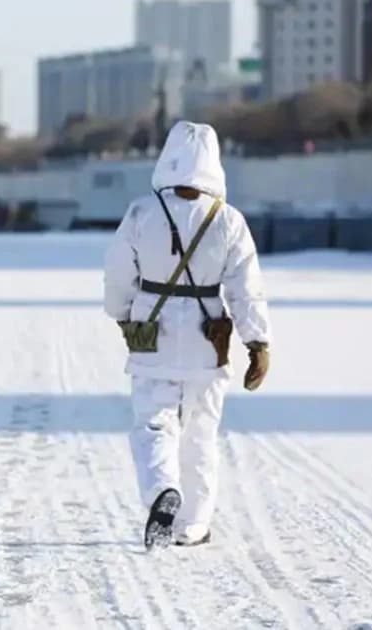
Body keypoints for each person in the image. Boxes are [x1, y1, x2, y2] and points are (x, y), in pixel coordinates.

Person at [103, 121, 272, 549]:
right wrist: (258, 343)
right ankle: (194, 524)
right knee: (200, 432)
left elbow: (118, 274)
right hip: (206, 340)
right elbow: (246, 289)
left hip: (152, 334)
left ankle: (162, 489)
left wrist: (123, 316)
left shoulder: (142, 211)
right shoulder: (229, 220)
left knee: (154, 425)